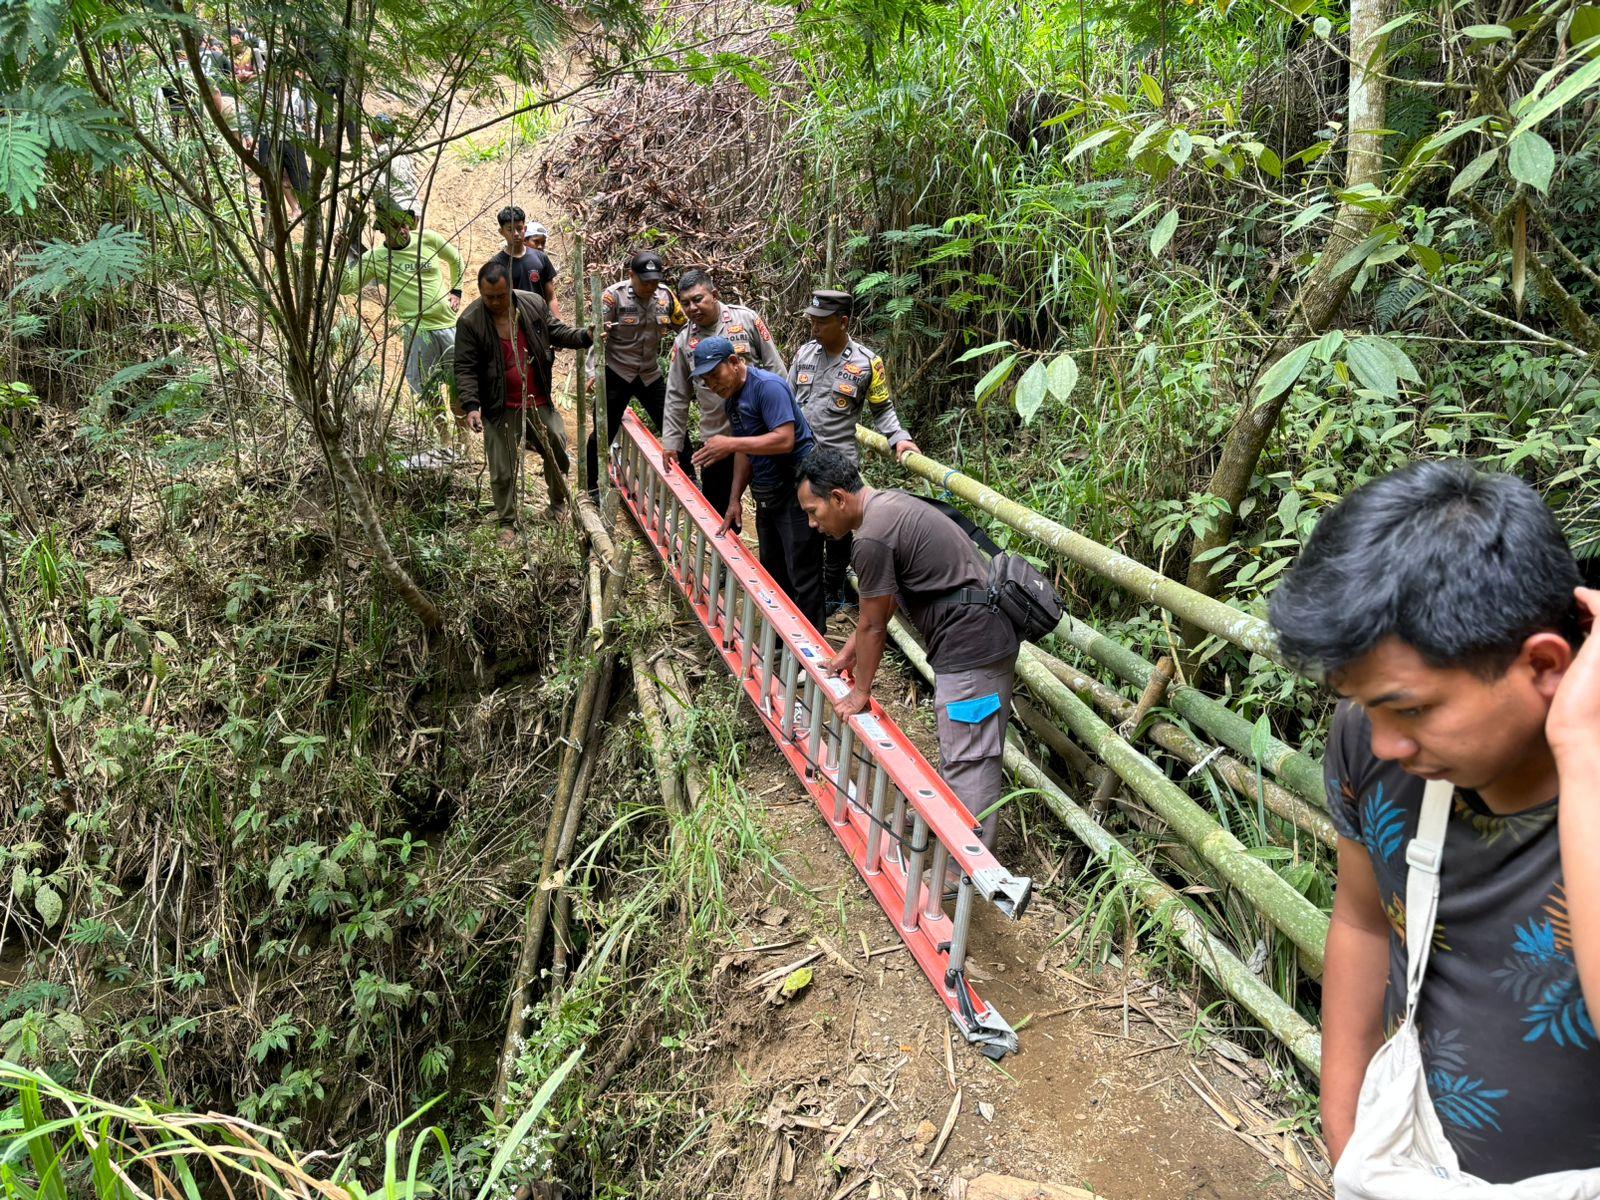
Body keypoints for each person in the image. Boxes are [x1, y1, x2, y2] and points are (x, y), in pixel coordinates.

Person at [1266, 459, 1600, 1185]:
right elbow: (1363, 921)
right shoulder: (1372, 741)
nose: (1386, 743)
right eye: (1368, 706)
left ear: (1546, 665)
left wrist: (1583, 748)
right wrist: (1345, 1135)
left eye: (1412, 709)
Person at [796, 448, 1019, 849]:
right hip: (976, 634)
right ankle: (946, 819)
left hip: (974, 644)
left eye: (814, 512)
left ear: (839, 498)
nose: (813, 524)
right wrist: (848, 655)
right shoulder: (888, 506)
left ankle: (965, 866)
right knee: (960, 742)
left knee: (972, 755)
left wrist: (861, 692)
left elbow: (873, 625)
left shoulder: (871, 538)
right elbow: (881, 606)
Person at [788, 288, 920, 615]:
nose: (814, 327)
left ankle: (833, 589)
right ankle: (806, 594)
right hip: (800, 459)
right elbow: (786, 397)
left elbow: (882, 408)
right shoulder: (804, 353)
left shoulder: (866, 363)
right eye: (812, 321)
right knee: (803, 527)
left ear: (843, 322)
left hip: (839, 462)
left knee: (838, 533)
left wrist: (898, 438)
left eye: (822, 322)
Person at [690, 336, 823, 631]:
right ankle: (782, 636)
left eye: (715, 374)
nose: (713, 384)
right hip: (767, 491)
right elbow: (745, 453)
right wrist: (734, 498)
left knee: (802, 570)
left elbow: (784, 439)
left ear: (734, 363)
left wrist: (730, 443)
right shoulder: (732, 401)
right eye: (706, 380)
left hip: (797, 490)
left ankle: (812, 643)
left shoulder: (768, 387)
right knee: (773, 570)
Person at [454, 261, 592, 541]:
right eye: (489, 297)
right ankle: (507, 521)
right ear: (480, 292)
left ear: (511, 290)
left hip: (537, 399)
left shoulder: (532, 304)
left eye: (500, 296)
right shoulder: (470, 321)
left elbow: (557, 331)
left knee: (557, 448)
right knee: (502, 468)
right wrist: (471, 406)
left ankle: (557, 505)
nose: (495, 302)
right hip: (500, 406)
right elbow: (465, 367)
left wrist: (585, 336)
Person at [662, 269, 784, 517]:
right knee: (717, 512)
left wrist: (782, 421)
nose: (692, 308)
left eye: (698, 299)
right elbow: (677, 395)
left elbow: (775, 368)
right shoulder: (684, 341)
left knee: (771, 505)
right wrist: (672, 442)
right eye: (685, 303)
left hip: (759, 433)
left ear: (715, 295)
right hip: (717, 439)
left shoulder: (746, 320)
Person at [341, 209, 464, 409]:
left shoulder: (428, 239)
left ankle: (462, 428)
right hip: (417, 332)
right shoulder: (376, 258)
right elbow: (346, 287)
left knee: (460, 386)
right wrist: (340, 255)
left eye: (405, 225)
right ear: (383, 230)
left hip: (448, 325)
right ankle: (440, 429)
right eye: (395, 227)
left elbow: (455, 259)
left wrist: (456, 290)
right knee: (427, 390)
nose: (403, 231)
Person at [586, 250, 686, 490]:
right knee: (603, 432)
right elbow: (596, 336)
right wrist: (592, 372)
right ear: (631, 275)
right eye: (645, 282)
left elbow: (685, 328)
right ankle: (593, 486)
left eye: (654, 281)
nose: (650, 287)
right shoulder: (613, 297)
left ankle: (690, 476)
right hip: (617, 371)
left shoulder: (666, 297)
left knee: (673, 424)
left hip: (649, 373)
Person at [490, 206, 557, 304]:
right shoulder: (495, 265)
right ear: (501, 232)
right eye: (510, 229)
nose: (516, 233)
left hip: (540, 313)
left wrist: (555, 314)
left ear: (524, 229)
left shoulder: (541, 258)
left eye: (519, 228)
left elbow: (551, 297)